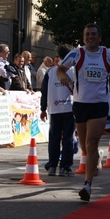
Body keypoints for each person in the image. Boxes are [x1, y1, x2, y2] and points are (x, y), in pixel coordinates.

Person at [56, 23, 110, 201]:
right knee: (85, 147)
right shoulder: (77, 53)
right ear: (84, 38)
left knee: (91, 142)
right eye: (87, 35)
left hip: (99, 104)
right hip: (80, 104)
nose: (90, 37)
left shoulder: (107, 54)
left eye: (94, 34)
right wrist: (64, 77)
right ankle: (98, 156)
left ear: (100, 37)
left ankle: (87, 185)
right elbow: (59, 69)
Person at [40, 44, 76, 176]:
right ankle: (65, 167)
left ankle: (52, 165)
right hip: (69, 107)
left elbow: (44, 91)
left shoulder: (50, 72)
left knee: (54, 138)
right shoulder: (73, 70)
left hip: (54, 108)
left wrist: (43, 108)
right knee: (68, 138)